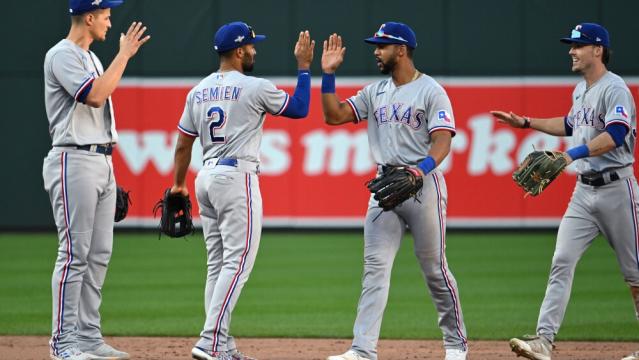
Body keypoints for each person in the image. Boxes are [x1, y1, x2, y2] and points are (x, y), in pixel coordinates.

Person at [321, 22, 469, 360]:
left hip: (423, 185)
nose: (376, 51)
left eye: (382, 46)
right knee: (375, 268)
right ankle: (362, 350)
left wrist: (421, 170)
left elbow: (442, 140)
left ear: (400, 50)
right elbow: (334, 116)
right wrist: (328, 75)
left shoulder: (431, 91)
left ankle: (456, 345)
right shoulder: (375, 92)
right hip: (385, 186)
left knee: (434, 268)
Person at [491, 23, 638, 360]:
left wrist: (570, 154)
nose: (571, 51)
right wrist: (526, 122)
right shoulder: (581, 90)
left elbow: (615, 134)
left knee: (635, 273)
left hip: (618, 189)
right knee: (561, 261)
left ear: (597, 50)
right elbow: (571, 125)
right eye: (571, 46)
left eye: (578, 46)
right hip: (584, 193)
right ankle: (544, 341)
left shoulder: (614, 89)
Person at [168, 21, 314, 360]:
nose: (254, 50)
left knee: (218, 264)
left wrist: (178, 183)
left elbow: (181, 146)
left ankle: (221, 344)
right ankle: (210, 340)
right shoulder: (254, 87)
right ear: (238, 51)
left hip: (204, 177)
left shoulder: (198, 91)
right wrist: (304, 68)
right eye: (250, 45)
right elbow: (300, 108)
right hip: (236, 179)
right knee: (237, 262)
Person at [42, 1, 150, 360]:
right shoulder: (61, 55)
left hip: (101, 159)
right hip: (73, 158)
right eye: (105, 15)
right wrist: (125, 55)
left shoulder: (93, 58)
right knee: (74, 254)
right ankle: (63, 343)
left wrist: (107, 167)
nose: (109, 20)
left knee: (99, 254)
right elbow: (95, 95)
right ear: (88, 18)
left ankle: (88, 337)